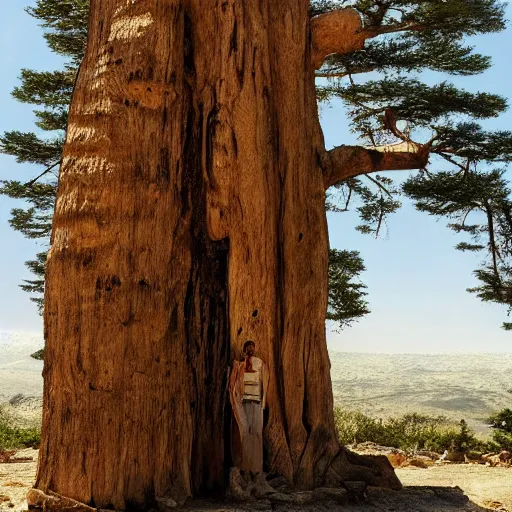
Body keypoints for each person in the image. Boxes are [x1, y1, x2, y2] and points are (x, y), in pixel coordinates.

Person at [229, 340, 269, 477]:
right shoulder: (239, 365)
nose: (250, 349)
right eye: (248, 347)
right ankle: (245, 467)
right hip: (244, 403)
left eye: (252, 347)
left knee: (257, 433)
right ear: (244, 349)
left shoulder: (260, 363)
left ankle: (257, 468)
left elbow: (265, 381)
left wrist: (263, 402)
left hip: (257, 402)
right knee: (245, 433)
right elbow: (234, 385)